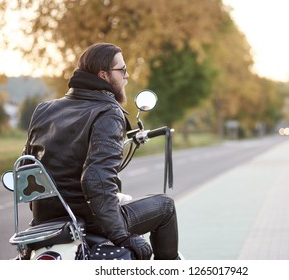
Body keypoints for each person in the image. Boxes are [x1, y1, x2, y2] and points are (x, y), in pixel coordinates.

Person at [23, 43, 179, 260]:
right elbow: (97, 180)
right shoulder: (108, 112)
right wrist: (122, 236)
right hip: (89, 218)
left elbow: (27, 167)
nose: (126, 76)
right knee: (165, 206)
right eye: (122, 70)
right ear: (103, 75)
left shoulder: (44, 109)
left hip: (45, 219)